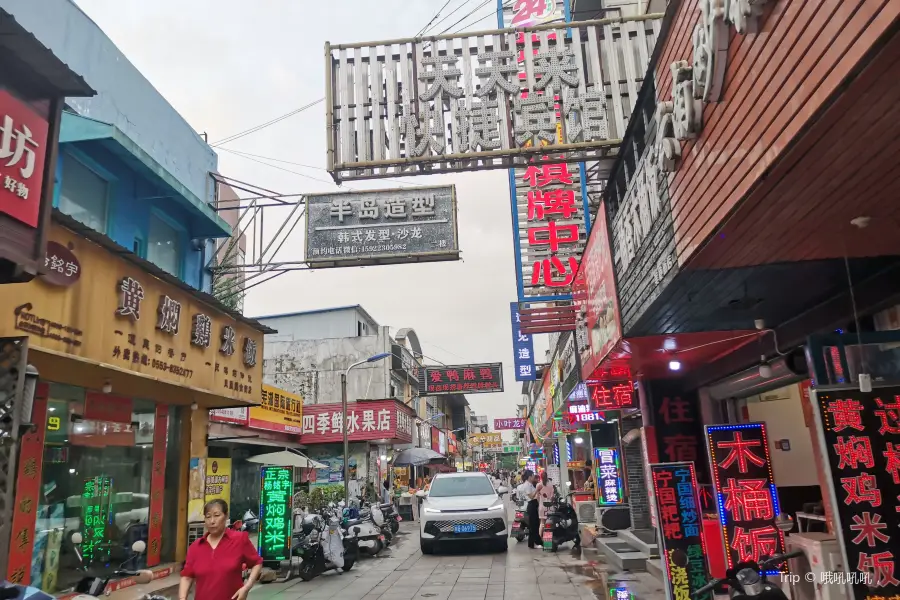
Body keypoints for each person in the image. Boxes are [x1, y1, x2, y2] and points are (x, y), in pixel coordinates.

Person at [180, 499, 262, 600]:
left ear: (226, 516)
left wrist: (246, 587)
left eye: (217, 515)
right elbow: (187, 576)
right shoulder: (196, 547)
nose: (212, 521)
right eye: (208, 517)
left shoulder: (239, 539)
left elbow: (257, 563)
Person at [516, 470, 539, 548]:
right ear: (529, 477)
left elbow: (517, 498)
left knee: (533, 526)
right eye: (533, 476)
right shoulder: (527, 485)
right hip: (529, 506)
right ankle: (534, 543)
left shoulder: (521, 486)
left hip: (522, 507)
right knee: (534, 526)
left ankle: (532, 543)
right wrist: (537, 490)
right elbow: (531, 496)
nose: (533, 477)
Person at [535, 471, 555, 536]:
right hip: (549, 506)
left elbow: (537, 497)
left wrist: (539, 504)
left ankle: (540, 537)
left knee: (542, 523)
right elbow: (552, 497)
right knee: (550, 522)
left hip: (542, 506)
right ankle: (549, 537)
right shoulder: (550, 484)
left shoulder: (538, 485)